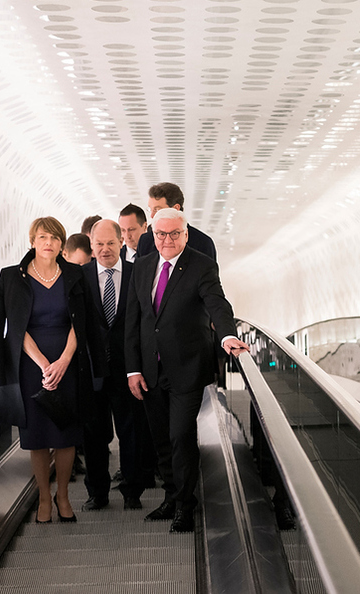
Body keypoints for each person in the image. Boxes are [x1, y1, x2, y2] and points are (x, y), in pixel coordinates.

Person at [125, 208, 249, 532]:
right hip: (150, 370)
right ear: (153, 235)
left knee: (181, 436)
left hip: (187, 367)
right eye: (160, 234)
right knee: (161, 439)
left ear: (185, 233)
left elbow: (217, 304)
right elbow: (133, 321)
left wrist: (227, 334)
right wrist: (132, 370)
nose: (167, 240)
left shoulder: (201, 265)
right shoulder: (142, 266)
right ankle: (170, 496)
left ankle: (184, 505)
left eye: (174, 234)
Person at [0, 216, 105, 524]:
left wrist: (64, 360)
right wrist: (43, 363)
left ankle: (63, 496)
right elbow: (13, 327)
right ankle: (43, 496)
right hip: (31, 365)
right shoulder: (11, 278)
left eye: (55, 238)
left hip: (68, 362)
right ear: (32, 241)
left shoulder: (75, 275)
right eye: (42, 237)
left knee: (66, 434)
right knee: (37, 436)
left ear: (61, 244)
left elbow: (80, 321)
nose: (48, 243)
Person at [81, 220, 156, 511]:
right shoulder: (81, 276)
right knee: (94, 435)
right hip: (93, 369)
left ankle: (132, 492)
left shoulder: (139, 273)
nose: (104, 249)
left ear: (121, 242)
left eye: (110, 243)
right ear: (91, 246)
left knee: (132, 431)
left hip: (130, 369)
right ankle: (97, 492)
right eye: (98, 244)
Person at [134, 183, 216, 260]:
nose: (152, 216)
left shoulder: (203, 243)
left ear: (176, 208)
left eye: (157, 209)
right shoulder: (145, 241)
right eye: (150, 209)